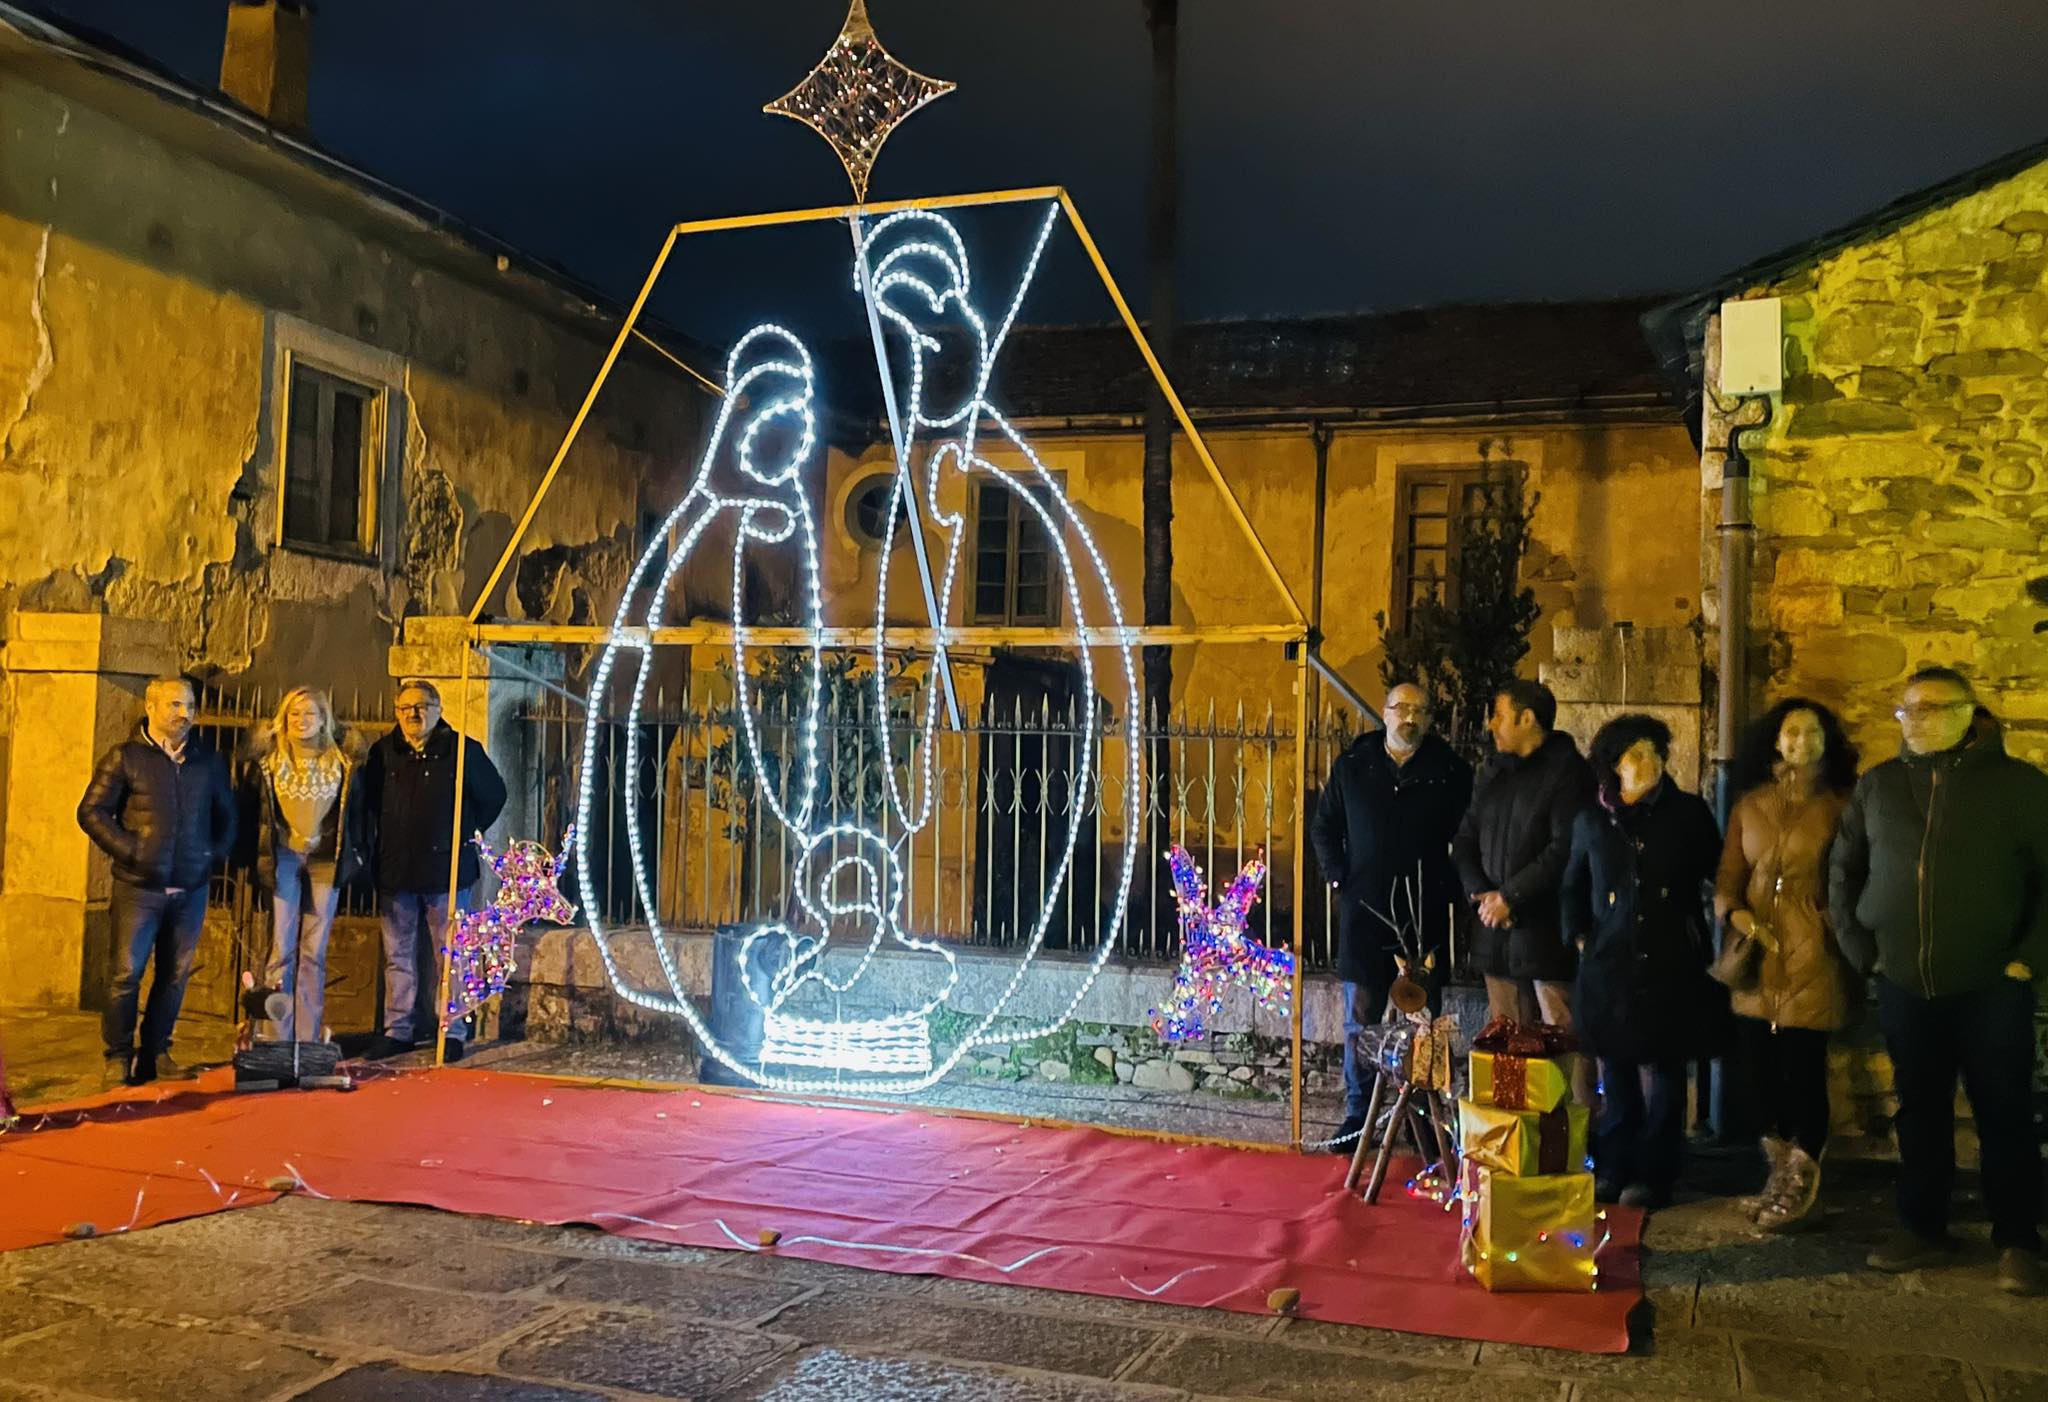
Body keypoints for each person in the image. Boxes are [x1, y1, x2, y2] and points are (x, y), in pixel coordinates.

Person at [1830, 666, 2048, 1295]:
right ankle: (1922, 1226)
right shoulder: (1880, 787)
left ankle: (2017, 1240)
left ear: (1966, 713)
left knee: (2003, 1111)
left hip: (1992, 983)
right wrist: (1861, 950)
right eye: (1905, 710)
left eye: (1927, 708)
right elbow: (1843, 871)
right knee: (1919, 1109)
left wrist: (2027, 958)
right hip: (1903, 979)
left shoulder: (2019, 787)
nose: (1913, 720)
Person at [1563, 714, 1723, 1209]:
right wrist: (1581, 937)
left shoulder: (1688, 813)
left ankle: (1655, 1174)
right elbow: (1573, 884)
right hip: (1609, 966)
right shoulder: (1593, 819)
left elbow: (1714, 872)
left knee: (1667, 1076)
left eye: (1654, 752)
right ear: (1615, 766)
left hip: (1670, 961)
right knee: (1618, 1072)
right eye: (1635, 754)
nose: (1647, 762)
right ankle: (1614, 1166)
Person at [1714, 698, 1859, 1231]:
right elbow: (1728, 876)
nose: (1799, 741)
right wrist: (1738, 915)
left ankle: (1800, 1181)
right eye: (1790, 732)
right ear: (1775, 741)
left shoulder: (1842, 806)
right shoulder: (1751, 804)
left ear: (1827, 741)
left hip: (1812, 951)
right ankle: (1776, 1175)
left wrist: (1827, 923)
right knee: (1758, 1075)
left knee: (1803, 1071)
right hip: (1756, 956)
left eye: (1811, 732)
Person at [1310, 682, 1473, 1149]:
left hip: (1423, 916)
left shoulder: (1449, 772)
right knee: (1360, 1018)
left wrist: (1453, 892)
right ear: (1385, 712)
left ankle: (1422, 1119)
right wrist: (1341, 879)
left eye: (1420, 710)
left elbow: (1467, 837)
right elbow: (1325, 827)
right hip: (1364, 913)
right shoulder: (1354, 766)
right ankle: (1359, 1116)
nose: (1410, 717)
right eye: (1401, 708)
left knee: (1422, 1020)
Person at [76, 676, 237, 1087]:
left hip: (191, 887)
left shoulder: (208, 761)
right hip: (139, 887)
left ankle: (157, 1052)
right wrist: (132, 851)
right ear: (151, 706)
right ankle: (118, 1056)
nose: (184, 714)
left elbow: (229, 818)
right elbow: (91, 812)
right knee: (125, 973)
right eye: (175, 705)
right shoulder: (126, 757)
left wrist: (210, 854)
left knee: (175, 974)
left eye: (190, 706)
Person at [1452, 679, 1596, 1083]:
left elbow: (1564, 848)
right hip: (1494, 933)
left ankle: (1572, 1138)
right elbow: (1464, 838)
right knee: (1507, 1047)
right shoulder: (1493, 773)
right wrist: (1481, 894)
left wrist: (1511, 897)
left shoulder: (1569, 774)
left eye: (1499, 715)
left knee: (1562, 1045)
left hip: (1544, 933)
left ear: (1527, 718)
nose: (1492, 725)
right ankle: (1514, 1140)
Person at [360, 678, 507, 1060]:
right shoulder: (383, 754)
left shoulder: (462, 751)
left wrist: (463, 834)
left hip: (447, 870)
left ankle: (453, 1028)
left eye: (422, 705)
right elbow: (369, 803)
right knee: (399, 955)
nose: (414, 714)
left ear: (438, 710)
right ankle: (398, 1028)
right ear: (396, 712)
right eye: (406, 707)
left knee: (452, 954)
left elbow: (493, 796)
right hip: (396, 870)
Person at [236, 687, 369, 1044]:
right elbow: (253, 811)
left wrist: (357, 853)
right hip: (283, 857)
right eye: (294, 713)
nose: (301, 721)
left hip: (326, 859)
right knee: (281, 947)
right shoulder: (267, 761)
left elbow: (358, 813)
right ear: (283, 718)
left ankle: (307, 1037)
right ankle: (275, 1035)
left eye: (310, 714)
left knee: (314, 950)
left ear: (324, 719)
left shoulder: (342, 761)